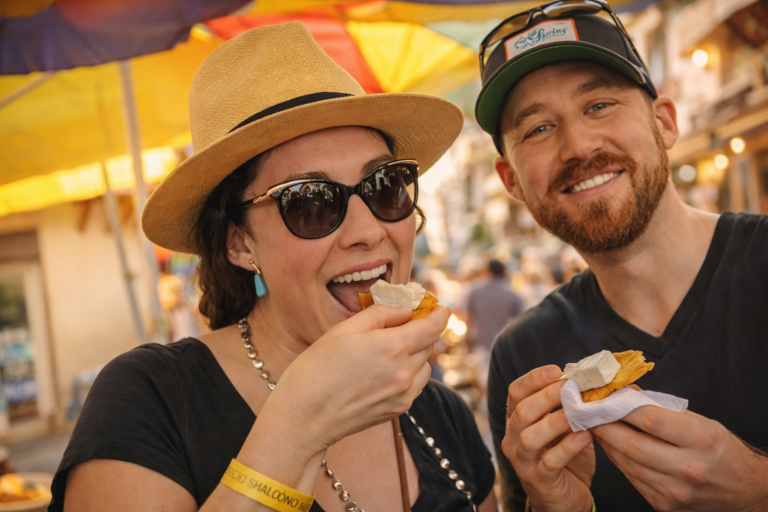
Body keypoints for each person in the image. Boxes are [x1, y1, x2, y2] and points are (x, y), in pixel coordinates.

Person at [49, 22, 498, 512]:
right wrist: (299, 425)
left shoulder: (441, 412)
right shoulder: (151, 399)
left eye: (384, 185)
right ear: (239, 243)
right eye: (311, 202)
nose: (368, 230)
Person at [473, 2, 768, 511]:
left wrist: (758, 489)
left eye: (599, 105)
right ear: (511, 180)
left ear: (664, 122)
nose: (577, 145)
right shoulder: (524, 358)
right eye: (538, 128)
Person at [465, 259, 524, 389]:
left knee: (483, 385)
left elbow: (468, 319)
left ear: (487, 271)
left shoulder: (475, 292)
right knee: (500, 385)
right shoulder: (512, 294)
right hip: (503, 344)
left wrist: (467, 342)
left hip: (481, 342)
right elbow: (521, 321)